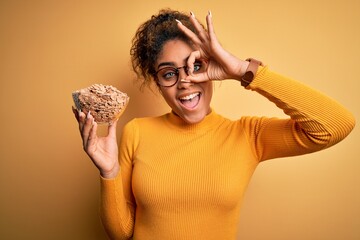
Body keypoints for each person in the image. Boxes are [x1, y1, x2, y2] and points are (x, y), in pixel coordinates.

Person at [72, 9, 355, 240]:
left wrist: (243, 71)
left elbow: (335, 124)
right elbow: (122, 233)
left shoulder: (247, 135)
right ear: (158, 83)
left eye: (196, 66)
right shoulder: (136, 132)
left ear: (212, 66)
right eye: (169, 73)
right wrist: (109, 173)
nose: (185, 81)